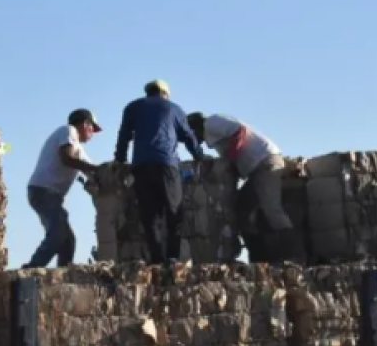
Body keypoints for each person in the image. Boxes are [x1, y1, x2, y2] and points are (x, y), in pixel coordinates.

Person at [187, 112, 302, 262]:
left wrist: (229, 159)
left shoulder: (211, 123)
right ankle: (259, 258)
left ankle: (294, 256)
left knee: (272, 209)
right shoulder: (213, 134)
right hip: (255, 170)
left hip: (265, 162)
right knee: (241, 211)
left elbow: (239, 131)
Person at [114, 80, 203, 264]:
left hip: (140, 166)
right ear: (165, 93)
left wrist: (120, 159)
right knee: (174, 212)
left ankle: (156, 259)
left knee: (149, 215)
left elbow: (124, 136)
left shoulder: (132, 107)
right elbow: (188, 137)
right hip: (167, 165)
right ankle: (172, 258)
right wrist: (199, 155)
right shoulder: (174, 108)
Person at [25, 109, 101, 268]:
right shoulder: (68, 131)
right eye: (92, 128)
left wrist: (100, 173)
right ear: (85, 123)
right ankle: (32, 269)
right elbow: (67, 158)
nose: (93, 133)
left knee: (68, 240)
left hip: (50, 195)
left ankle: (62, 275)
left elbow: (92, 168)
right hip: (43, 191)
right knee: (58, 233)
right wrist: (95, 171)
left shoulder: (77, 147)